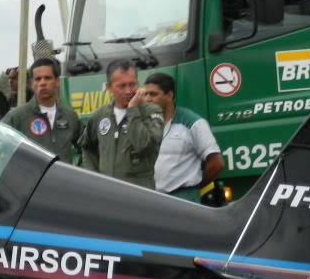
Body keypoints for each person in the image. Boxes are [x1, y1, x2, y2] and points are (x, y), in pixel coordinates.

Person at [78, 60, 164, 189]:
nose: (128, 90)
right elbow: (87, 148)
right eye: (122, 86)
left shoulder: (151, 111)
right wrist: (93, 177)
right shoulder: (100, 115)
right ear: (109, 87)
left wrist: (132, 109)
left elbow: (144, 144)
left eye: (132, 84)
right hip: (107, 194)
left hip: (139, 195)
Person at [143, 72, 223, 202]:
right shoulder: (146, 123)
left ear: (169, 95)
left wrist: (197, 186)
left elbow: (217, 163)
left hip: (183, 199)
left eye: (153, 94)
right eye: (145, 94)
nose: (147, 99)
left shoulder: (193, 123)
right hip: (152, 199)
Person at [0, 58, 80, 163]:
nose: (42, 83)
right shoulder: (17, 117)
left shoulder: (70, 117)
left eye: (47, 78)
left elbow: (87, 148)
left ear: (57, 82)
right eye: (38, 79)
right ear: (32, 83)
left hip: (63, 179)